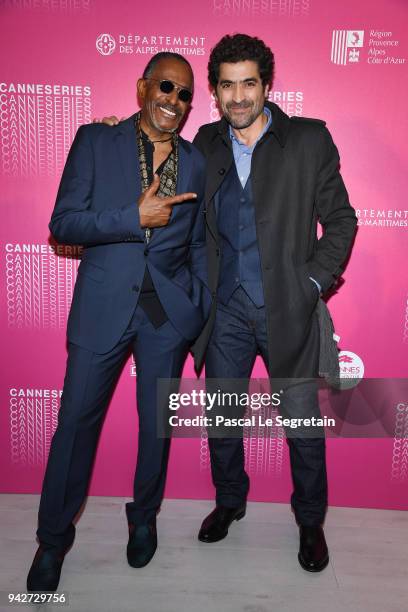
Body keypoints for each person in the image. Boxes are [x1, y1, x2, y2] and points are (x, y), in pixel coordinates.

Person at [97, 33, 357, 573]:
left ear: (266, 85)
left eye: (249, 84)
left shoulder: (308, 140)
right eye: (227, 86)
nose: (238, 97)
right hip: (226, 310)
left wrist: (311, 284)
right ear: (214, 91)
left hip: (290, 309)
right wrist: (111, 137)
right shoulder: (206, 144)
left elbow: (342, 222)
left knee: (303, 427)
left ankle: (310, 521)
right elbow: (150, 149)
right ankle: (230, 500)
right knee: (222, 419)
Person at [27, 52, 210, 592]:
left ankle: (144, 518)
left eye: (184, 95)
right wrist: (133, 218)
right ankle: (52, 540)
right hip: (105, 304)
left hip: (164, 314)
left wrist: (193, 303)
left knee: (155, 428)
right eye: (166, 87)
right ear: (142, 87)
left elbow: (198, 242)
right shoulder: (95, 141)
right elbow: (64, 222)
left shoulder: (195, 161)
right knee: (75, 427)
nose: (173, 101)